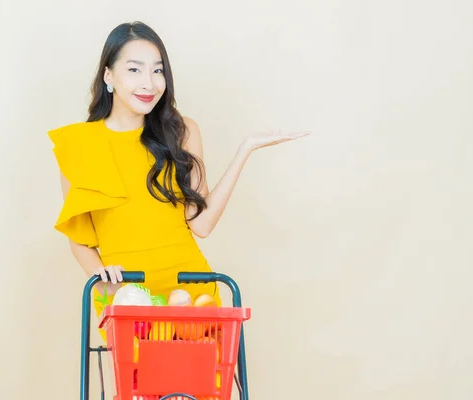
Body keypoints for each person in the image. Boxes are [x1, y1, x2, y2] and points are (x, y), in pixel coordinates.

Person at [48, 21, 309, 340]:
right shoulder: (78, 145)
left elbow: (201, 224)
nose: (149, 83)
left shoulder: (181, 132)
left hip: (191, 287)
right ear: (108, 76)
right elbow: (79, 237)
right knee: (144, 384)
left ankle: (184, 312)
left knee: (193, 378)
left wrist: (245, 150)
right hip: (128, 298)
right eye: (134, 70)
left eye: (158, 71)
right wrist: (103, 281)